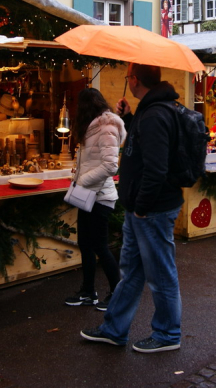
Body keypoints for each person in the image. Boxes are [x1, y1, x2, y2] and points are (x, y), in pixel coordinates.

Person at [81, 63, 184, 353]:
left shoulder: (155, 115)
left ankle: (167, 334)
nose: (128, 81)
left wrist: (141, 208)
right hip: (144, 209)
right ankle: (114, 329)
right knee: (133, 272)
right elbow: (146, 149)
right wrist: (130, 116)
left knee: (161, 273)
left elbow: (156, 168)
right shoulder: (154, 111)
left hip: (150, 211)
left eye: (128, 77)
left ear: (135, 80)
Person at [64, 88, 125, 311]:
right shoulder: (92, 127)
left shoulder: (106, 127)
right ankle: (88, 291)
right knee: (85, 244)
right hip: (88, 195)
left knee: (99, 245)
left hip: (100, 196)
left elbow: (110, 165)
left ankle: (116, 292)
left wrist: (82, 181)